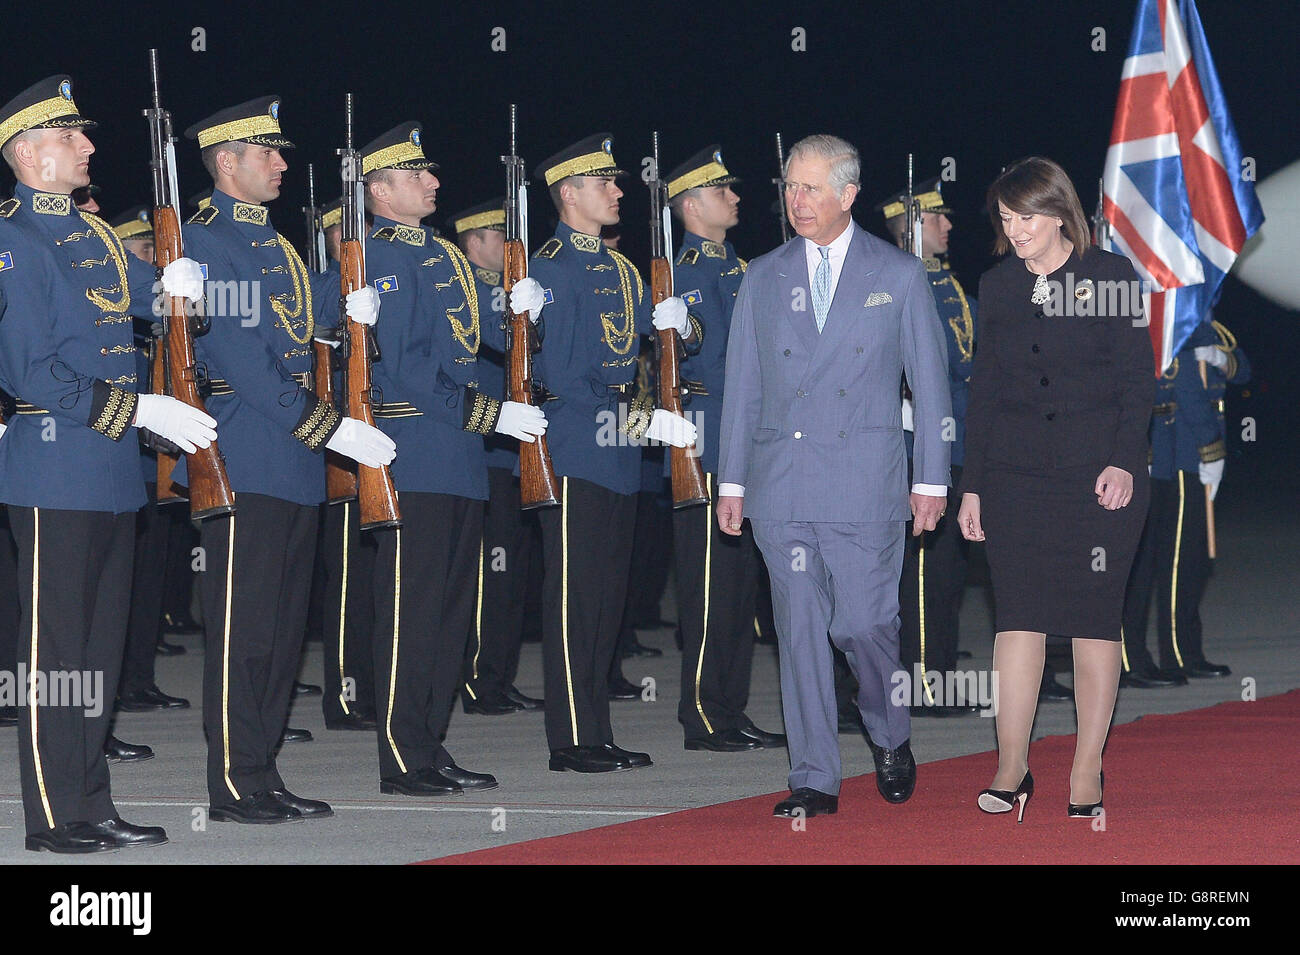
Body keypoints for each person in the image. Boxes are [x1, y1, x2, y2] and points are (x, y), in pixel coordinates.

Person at [0, 75, 216, 852]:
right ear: (30, 152)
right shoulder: (13, 241)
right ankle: (54, 815)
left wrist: (179, 290)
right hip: (53, 472)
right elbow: (28, 373)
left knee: (97, 650)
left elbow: (151, 306)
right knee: (55, 654)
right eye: (71, 136)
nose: (88, 146)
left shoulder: (91, 236)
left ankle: (93, 799)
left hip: (111, 473)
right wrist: (137, 410)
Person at [717, 134, 952, 818]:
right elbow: (744, 387)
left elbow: (931, 388)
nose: (798, 200)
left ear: (849, 194)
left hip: (864, 482)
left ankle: (889, 730)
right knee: (798, 631)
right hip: (781, 482)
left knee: (866, 623)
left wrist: (931, 480)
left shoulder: (898, 274)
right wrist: (731, 482)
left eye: (813, 187)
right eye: (790, 186)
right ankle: (814, 772)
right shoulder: (762, 273)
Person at [180, 95, 393, 824]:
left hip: (292, 460)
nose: (281, 162)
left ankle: (262, 770)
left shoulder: (271, 242)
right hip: (248, 454)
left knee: (277, 630)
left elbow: (296, 319)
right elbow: (242, 359)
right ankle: (234, 781)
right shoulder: (207, 241)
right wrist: (331, 429)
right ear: (226, 161)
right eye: (266, 153)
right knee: (244, 631)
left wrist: (345, 294)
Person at [958, 156, 1153, 821]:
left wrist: (1124, 461)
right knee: (1018, 617)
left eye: (1027, 218)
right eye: (1006, 219)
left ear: (1061, 213)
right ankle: (1012, 762)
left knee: (1095, 621)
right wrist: (973, 486)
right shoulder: (998, 285)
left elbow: (1137, 383)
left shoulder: (1111, 277)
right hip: (1014, 479)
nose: (1015, 230)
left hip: (1099, 478)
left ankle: (1087, 763)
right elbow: (983, 392)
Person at [358, 123, 548, 796]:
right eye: (418, 174)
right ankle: (401, 754)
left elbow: (483, 340)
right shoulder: (384, 257)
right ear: (381, 189)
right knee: (412, 613)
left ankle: (430, 743)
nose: (434, 182)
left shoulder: (441, 255)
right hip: (415, 455)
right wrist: (491, 415)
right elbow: (408, 372)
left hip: (460, 459)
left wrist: (523, 312)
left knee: (449, 616)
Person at [523, 133, 700, 773]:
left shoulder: (624, 269)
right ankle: (571, 737)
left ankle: (596, 728)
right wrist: (646, 420)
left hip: (621, 453)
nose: (619, 192)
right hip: (574, 447)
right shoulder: (550, 265)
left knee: (606, 597)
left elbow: (669, 343)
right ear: (570, 194)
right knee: (574, 597)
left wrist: (684, 321)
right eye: (607, 184)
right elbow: (568, 377)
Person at [665, 145, 784, 752]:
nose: (736, 199)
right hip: (712, 441)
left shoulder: (743, 269)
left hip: (754, 442)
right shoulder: (687, 272)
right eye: (722, 192)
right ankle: (704, 714)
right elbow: (710, 360)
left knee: (740, 588)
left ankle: (730, 707)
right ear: (691, 205)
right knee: (710, 585)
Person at [877, 177, 982, 716]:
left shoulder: (951, 285)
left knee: (946, 572)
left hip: (956, 438)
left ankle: (938, 673)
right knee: (920, 568)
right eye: (935, 217)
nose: (947, 225)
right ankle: (921, 682)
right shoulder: (901, 282)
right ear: (909, 228)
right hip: (917, 441)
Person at [452, 198, 546, 716]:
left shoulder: (508, 293)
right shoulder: (471, 292)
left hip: (510, 448)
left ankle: (498, 674)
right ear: (474, 242)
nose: (509, 246)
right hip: (484, 440)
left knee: (509, 571)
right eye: (497, 235)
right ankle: (478, 681)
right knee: (489, 569)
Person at [1121, 318, 1249, 685]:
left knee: (1187, 562)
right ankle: (1153, 656)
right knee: (1156, 564)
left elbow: (1243, 370)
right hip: (1172, 456)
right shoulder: (1170, 321)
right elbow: (1186, 391)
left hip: (1183, 455)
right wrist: (1212, 449)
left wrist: (1223, 360)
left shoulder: (1203, 324)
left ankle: (1184, 652)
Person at [109, 206, 191, 714]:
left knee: (144, 582)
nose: (152, 264)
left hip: (151, 470)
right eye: (143, 254)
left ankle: (138, 678)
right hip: (130, 459)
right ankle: (120, 687)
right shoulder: (128, 324)